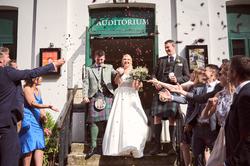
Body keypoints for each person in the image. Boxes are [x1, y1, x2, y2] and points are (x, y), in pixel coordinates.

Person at [0, 47, 65, 166]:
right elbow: (30, 73)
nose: (9, 60)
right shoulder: (7, 72)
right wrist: (53, 64)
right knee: (10, 158)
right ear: (0, 61)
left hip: (8, 122)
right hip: (6, 124)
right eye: (7, 57)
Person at [102, 54, 149, 158]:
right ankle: (120, 147)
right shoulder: (119, 70)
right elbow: (117, 82)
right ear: (122, 61)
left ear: (131, 61)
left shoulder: (136, 71)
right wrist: (119, 74)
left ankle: (133, 144)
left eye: (128, 59)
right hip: (121, 96)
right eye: (124, 59)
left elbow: (138, 87)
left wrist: (137, 80)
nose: (126, 61)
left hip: (132, 96)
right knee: (120, 120)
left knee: (134, 120)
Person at [150, 40, 190, 155]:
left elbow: (187, 76)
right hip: (160, 91)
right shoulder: (161, 60)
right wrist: (155, 82)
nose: (167, 49)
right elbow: (153, 74)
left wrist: (177, 80)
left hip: (173, 92)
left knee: (172, 117)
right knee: (157, 117)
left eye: (168, 47)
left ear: (174, 46)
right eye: (165, 47)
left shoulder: (182, 60)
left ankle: (171, 147)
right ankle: (157, 146)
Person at [82, 49, 117, 159]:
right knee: (93, 121)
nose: (100, 61)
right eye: (98, 59)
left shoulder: (109, 67)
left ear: (104, 58)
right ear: (94, 58)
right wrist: (85, 96)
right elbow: (85, 83)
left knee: (109, 122)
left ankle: (108, 146)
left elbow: (117, 75)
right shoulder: (88, 69)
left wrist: (121, 71)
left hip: (108, 96)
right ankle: (93, 146)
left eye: (102, 59)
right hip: (95, 95)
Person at [19, 77, 59, 166]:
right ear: (34, 79)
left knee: (40, 145)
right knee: (29, 146)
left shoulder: (38, 90)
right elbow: (32, 103)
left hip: (37, 122)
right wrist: (48, 106)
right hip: (29, 121)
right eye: (40, 77)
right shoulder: (26, 88)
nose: (42, 79)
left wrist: (44, 118)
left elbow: (40, 105)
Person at [225, 55, 250, 166]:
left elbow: (247, 136)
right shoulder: (241, 92)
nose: (226, 73)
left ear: (234, 73)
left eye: (229, 70)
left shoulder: (246, 95)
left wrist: (231, 162)